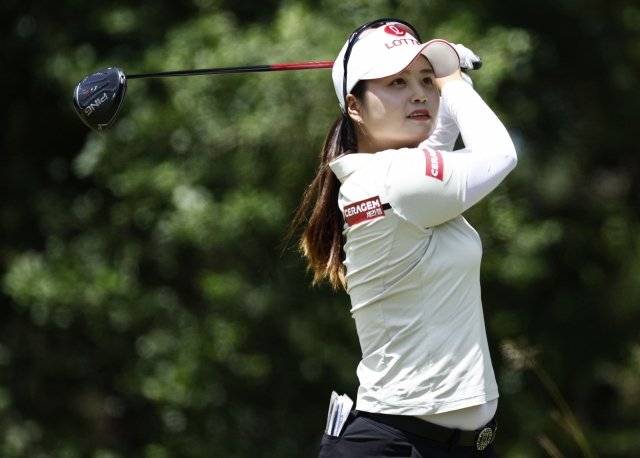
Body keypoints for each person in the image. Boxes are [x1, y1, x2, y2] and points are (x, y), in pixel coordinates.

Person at [291, 18, 517, 457]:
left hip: (454, 447)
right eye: (396, 81)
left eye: (424, 80)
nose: (418, 93)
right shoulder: (394, 181)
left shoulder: (391, 178)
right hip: (394, 445)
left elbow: (438, 146)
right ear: (354, 107)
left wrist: (449, 80)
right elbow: (499, 154)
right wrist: (452, 78)